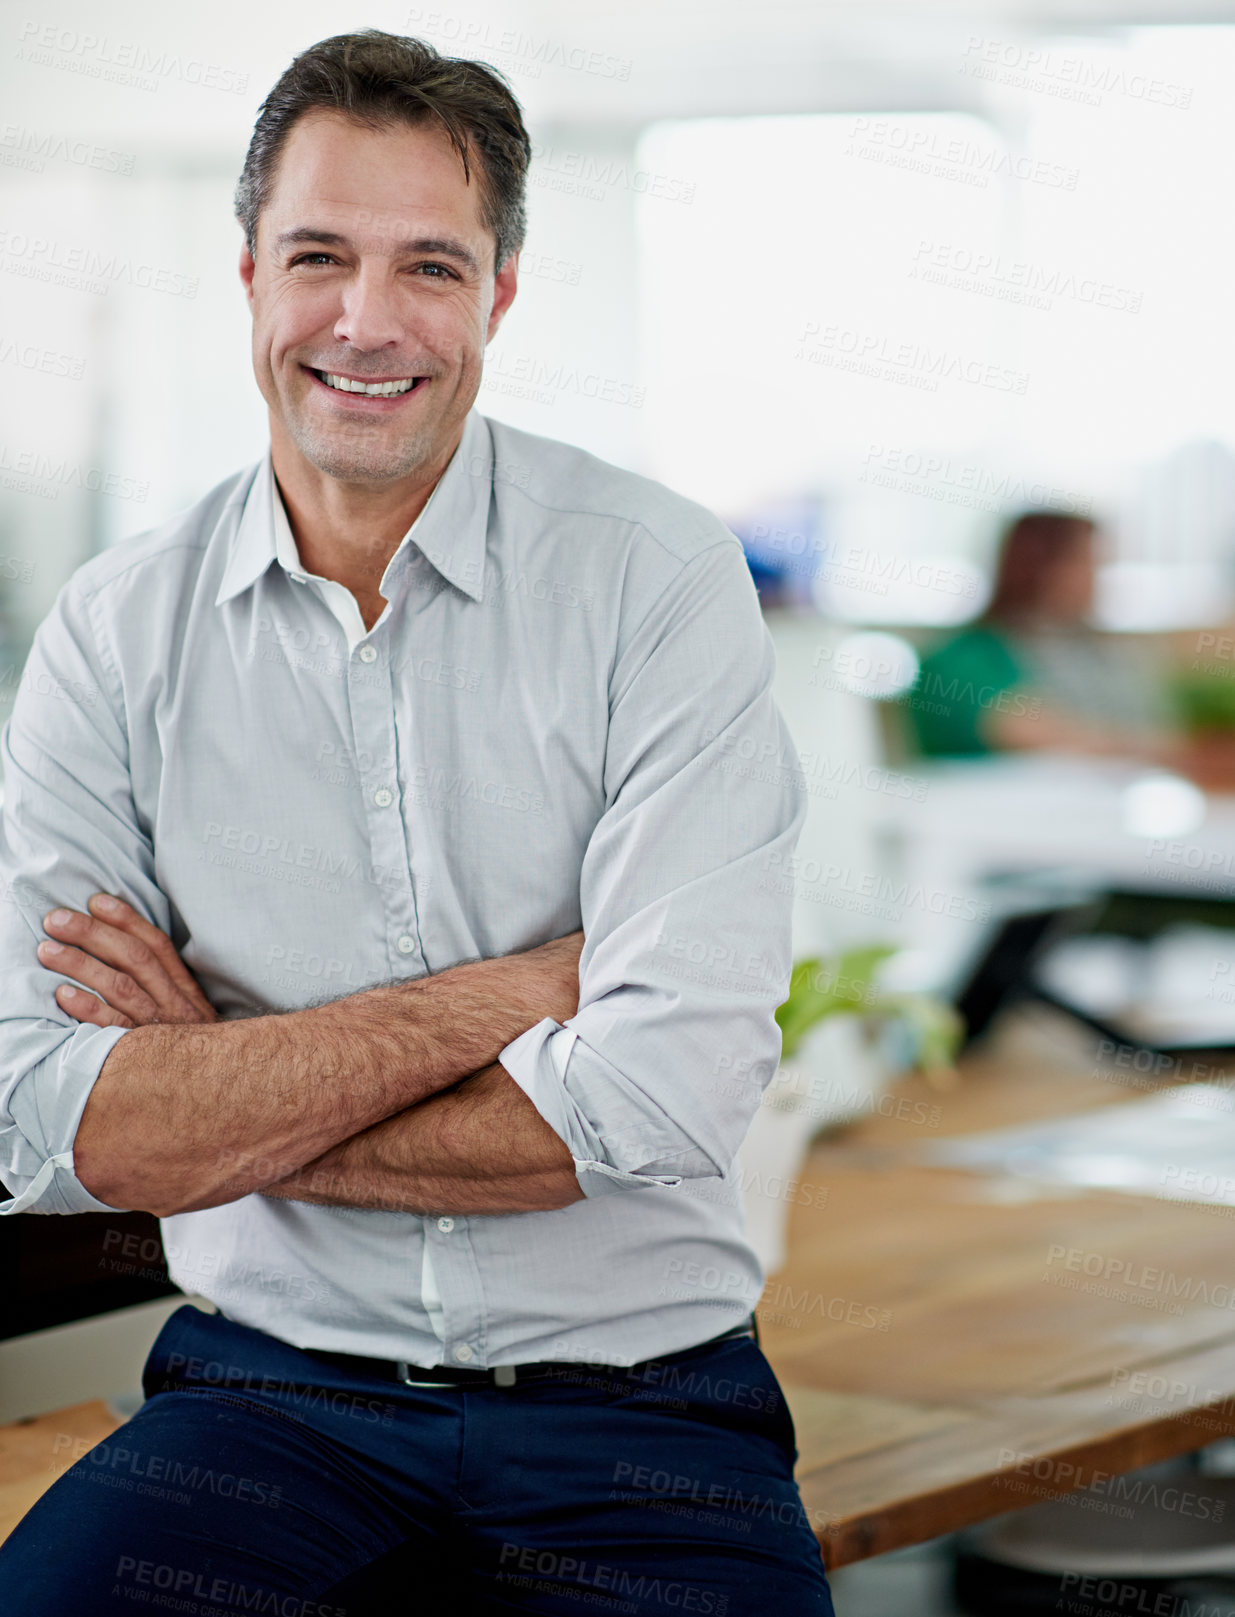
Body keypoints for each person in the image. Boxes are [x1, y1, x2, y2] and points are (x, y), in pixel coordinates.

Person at [0, 30, 835, 1615]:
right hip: (263, 1406)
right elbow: (44, 1118)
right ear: (246, 271)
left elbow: (658, 1104)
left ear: (500, 294)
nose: (366, 322)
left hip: (640, 1419)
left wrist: (218, 1099)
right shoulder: (115, 631)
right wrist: (510, 996)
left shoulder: (653, 582)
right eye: (319, 256)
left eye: (428, 267)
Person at [905, 509, 1171, 759]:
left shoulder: (1103, 654)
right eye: (1085, 562)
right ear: (1036, 567)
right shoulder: (963, 660)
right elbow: (1029, 732)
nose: (1097, 578)